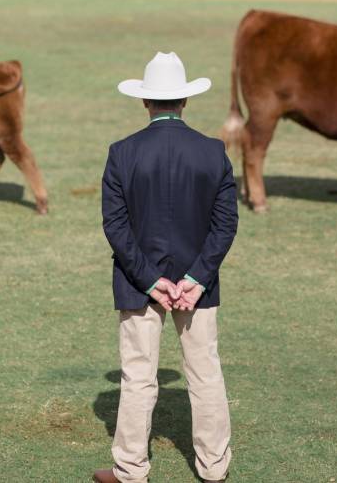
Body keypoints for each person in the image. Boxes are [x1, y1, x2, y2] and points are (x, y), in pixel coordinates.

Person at [93, 52, 238, 483]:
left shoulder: (122, 153)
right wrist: (195, 278)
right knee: (206, 373)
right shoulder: (213, 151)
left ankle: (131, 469)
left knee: (138, 377)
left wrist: (151, 280)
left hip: (139, 286)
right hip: (200, 285)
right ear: (185, 101)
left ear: (145, 102)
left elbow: (115, 227)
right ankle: (214, 469)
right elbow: (225, 222)